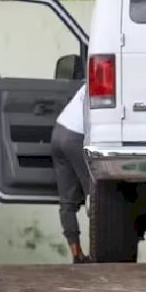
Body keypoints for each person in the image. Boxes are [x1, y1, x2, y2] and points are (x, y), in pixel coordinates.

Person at [51, 83, 91, 264]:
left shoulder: (90, 78)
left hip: (59, 131)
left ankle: (76, 253)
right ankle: (99, 253)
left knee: (67, 201)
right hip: (76, 137)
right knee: (97, 195)